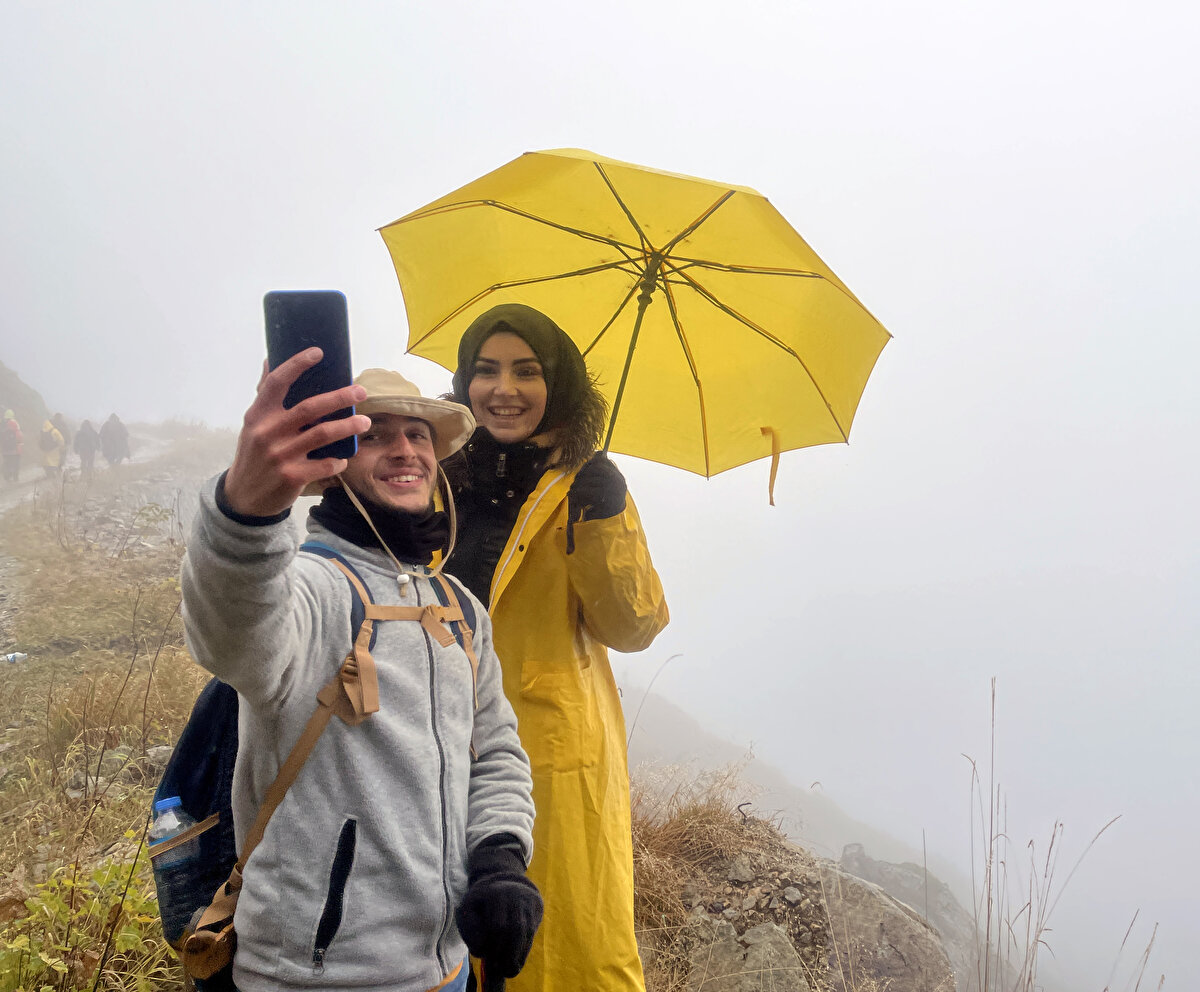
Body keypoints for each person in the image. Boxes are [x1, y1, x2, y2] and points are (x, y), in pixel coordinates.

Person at [180, 355, 543, 992]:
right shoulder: (308, 589)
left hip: (447, 970)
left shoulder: (460, 609)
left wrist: (501, 856)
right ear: (332, 461)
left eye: (418, 435)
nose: (405, 450)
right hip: (312, 977)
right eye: (374, 435)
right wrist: (244, 513)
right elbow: (231, 634)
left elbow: (495, 752)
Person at [443, 304, 670, 992]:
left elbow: (634, 626)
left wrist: (603, 522)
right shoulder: (439, 477)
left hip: (546, 750)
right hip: (432, 733)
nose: (504, 389)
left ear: (558, 386)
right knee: (438, 934)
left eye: (527, 372)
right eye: (487, 370)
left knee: (555, 946)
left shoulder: (584, 488)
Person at [1, 410, 21, 483]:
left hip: (5, 449)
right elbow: (19, 435)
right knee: (15, 463)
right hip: (15, 448)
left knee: (7, 463)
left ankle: (7, 477)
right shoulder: (14, 423)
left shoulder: (2, 423)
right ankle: (15, 478)